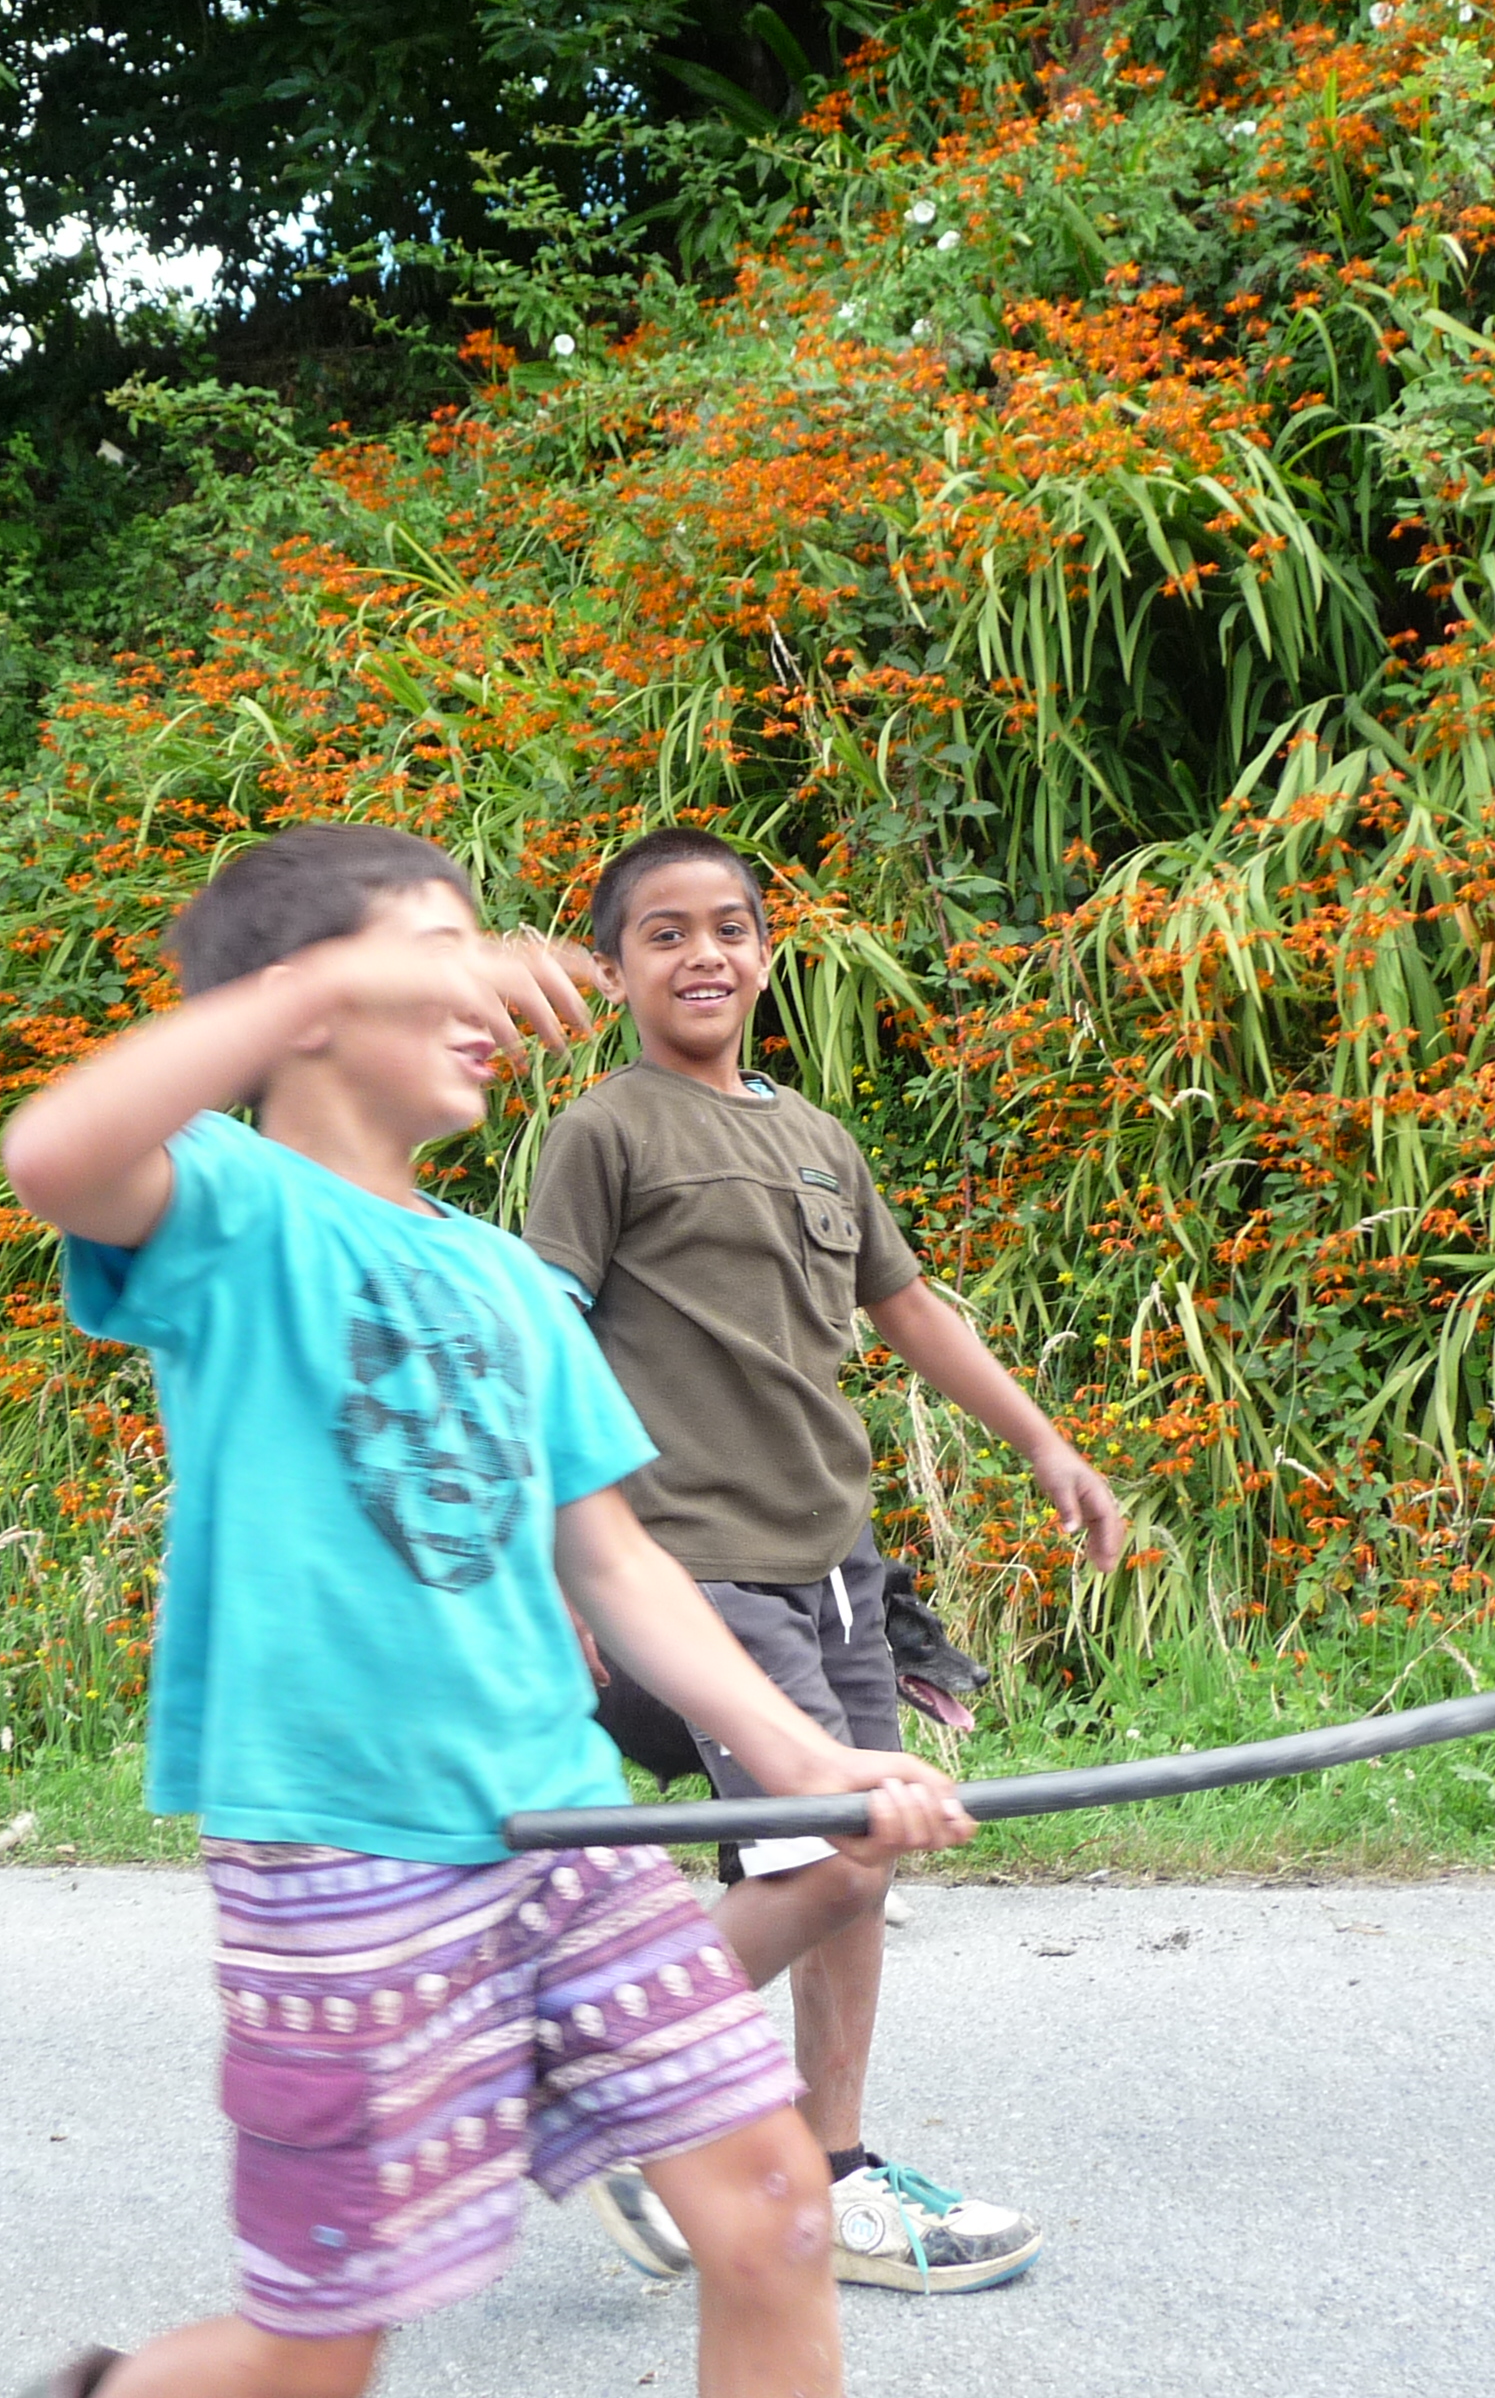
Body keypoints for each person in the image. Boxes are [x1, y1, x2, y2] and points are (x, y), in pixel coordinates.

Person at [0, 823, 978, 2398]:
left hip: (566, 1835)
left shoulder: (510, 1280)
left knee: (777, 2215)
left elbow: (619, 1564)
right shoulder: (235, 1209)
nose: (491, 995)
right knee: (320, 2353)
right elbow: (52, 1156)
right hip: (343, 1856)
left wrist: (808, 1761)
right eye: (437, 959)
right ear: (305, 1002)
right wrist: (329, 975)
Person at [522, 827, 1129, 2295]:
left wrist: (1045, 1443)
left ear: (766, 952)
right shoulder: (606, 1131)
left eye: (729, 926)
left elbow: (911, 1311)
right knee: (834, 1860)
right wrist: (552, 1561)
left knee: (862, 1858)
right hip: (698, 1564)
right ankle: (617, 2079)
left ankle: (832, 2166)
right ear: (613, 970)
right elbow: (539, 1344)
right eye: (664, 933)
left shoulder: (814, 1136)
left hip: (836, 1562)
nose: (704, 954)